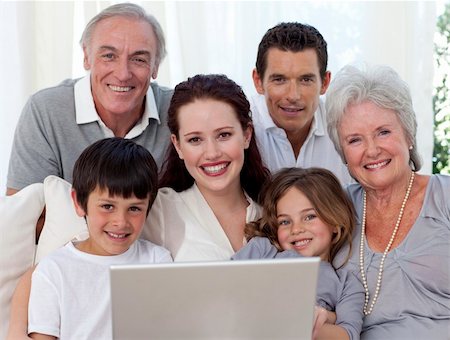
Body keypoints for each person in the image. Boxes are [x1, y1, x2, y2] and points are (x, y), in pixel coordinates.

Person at [326, 64, 450, 339]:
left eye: (383, 132)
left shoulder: (445, 198)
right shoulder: (334, 210)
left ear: (408, 135)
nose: (372, 150)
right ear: (343, 152)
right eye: (355, 140)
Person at [7, 3, 172, 196]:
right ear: (87, 56)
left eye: (139, 59)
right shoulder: (45, 110)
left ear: (156, 66)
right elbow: (24, 215)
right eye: (109, 56)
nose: (123, 74)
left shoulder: (178, 110)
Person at [26, 137, 172, 339]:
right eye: (107, 206)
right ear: (78, 203)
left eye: (134, 208)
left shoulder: (158, 261)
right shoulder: (53, 270)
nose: (121, 222)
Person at [142, 74, 270, 261]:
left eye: (224, 135)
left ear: (246, 135)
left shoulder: (275, 210)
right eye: (195, 139)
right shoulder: (158, 210)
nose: (212, 153)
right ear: (178, 146)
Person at [232, 167, 364, 340]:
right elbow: (226, 286)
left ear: (335, 222)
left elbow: (348, 334)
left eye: (309, 217)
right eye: (285, 221)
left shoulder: (346, 282)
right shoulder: (264, 250)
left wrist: (307, 323)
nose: (296, 229)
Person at [250, 22, 353, 186]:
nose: (293, 95)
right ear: (258, 81)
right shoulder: (239, 128)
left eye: (305, 80)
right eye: (279, 80)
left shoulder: (347, 126)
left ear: (325, 82)